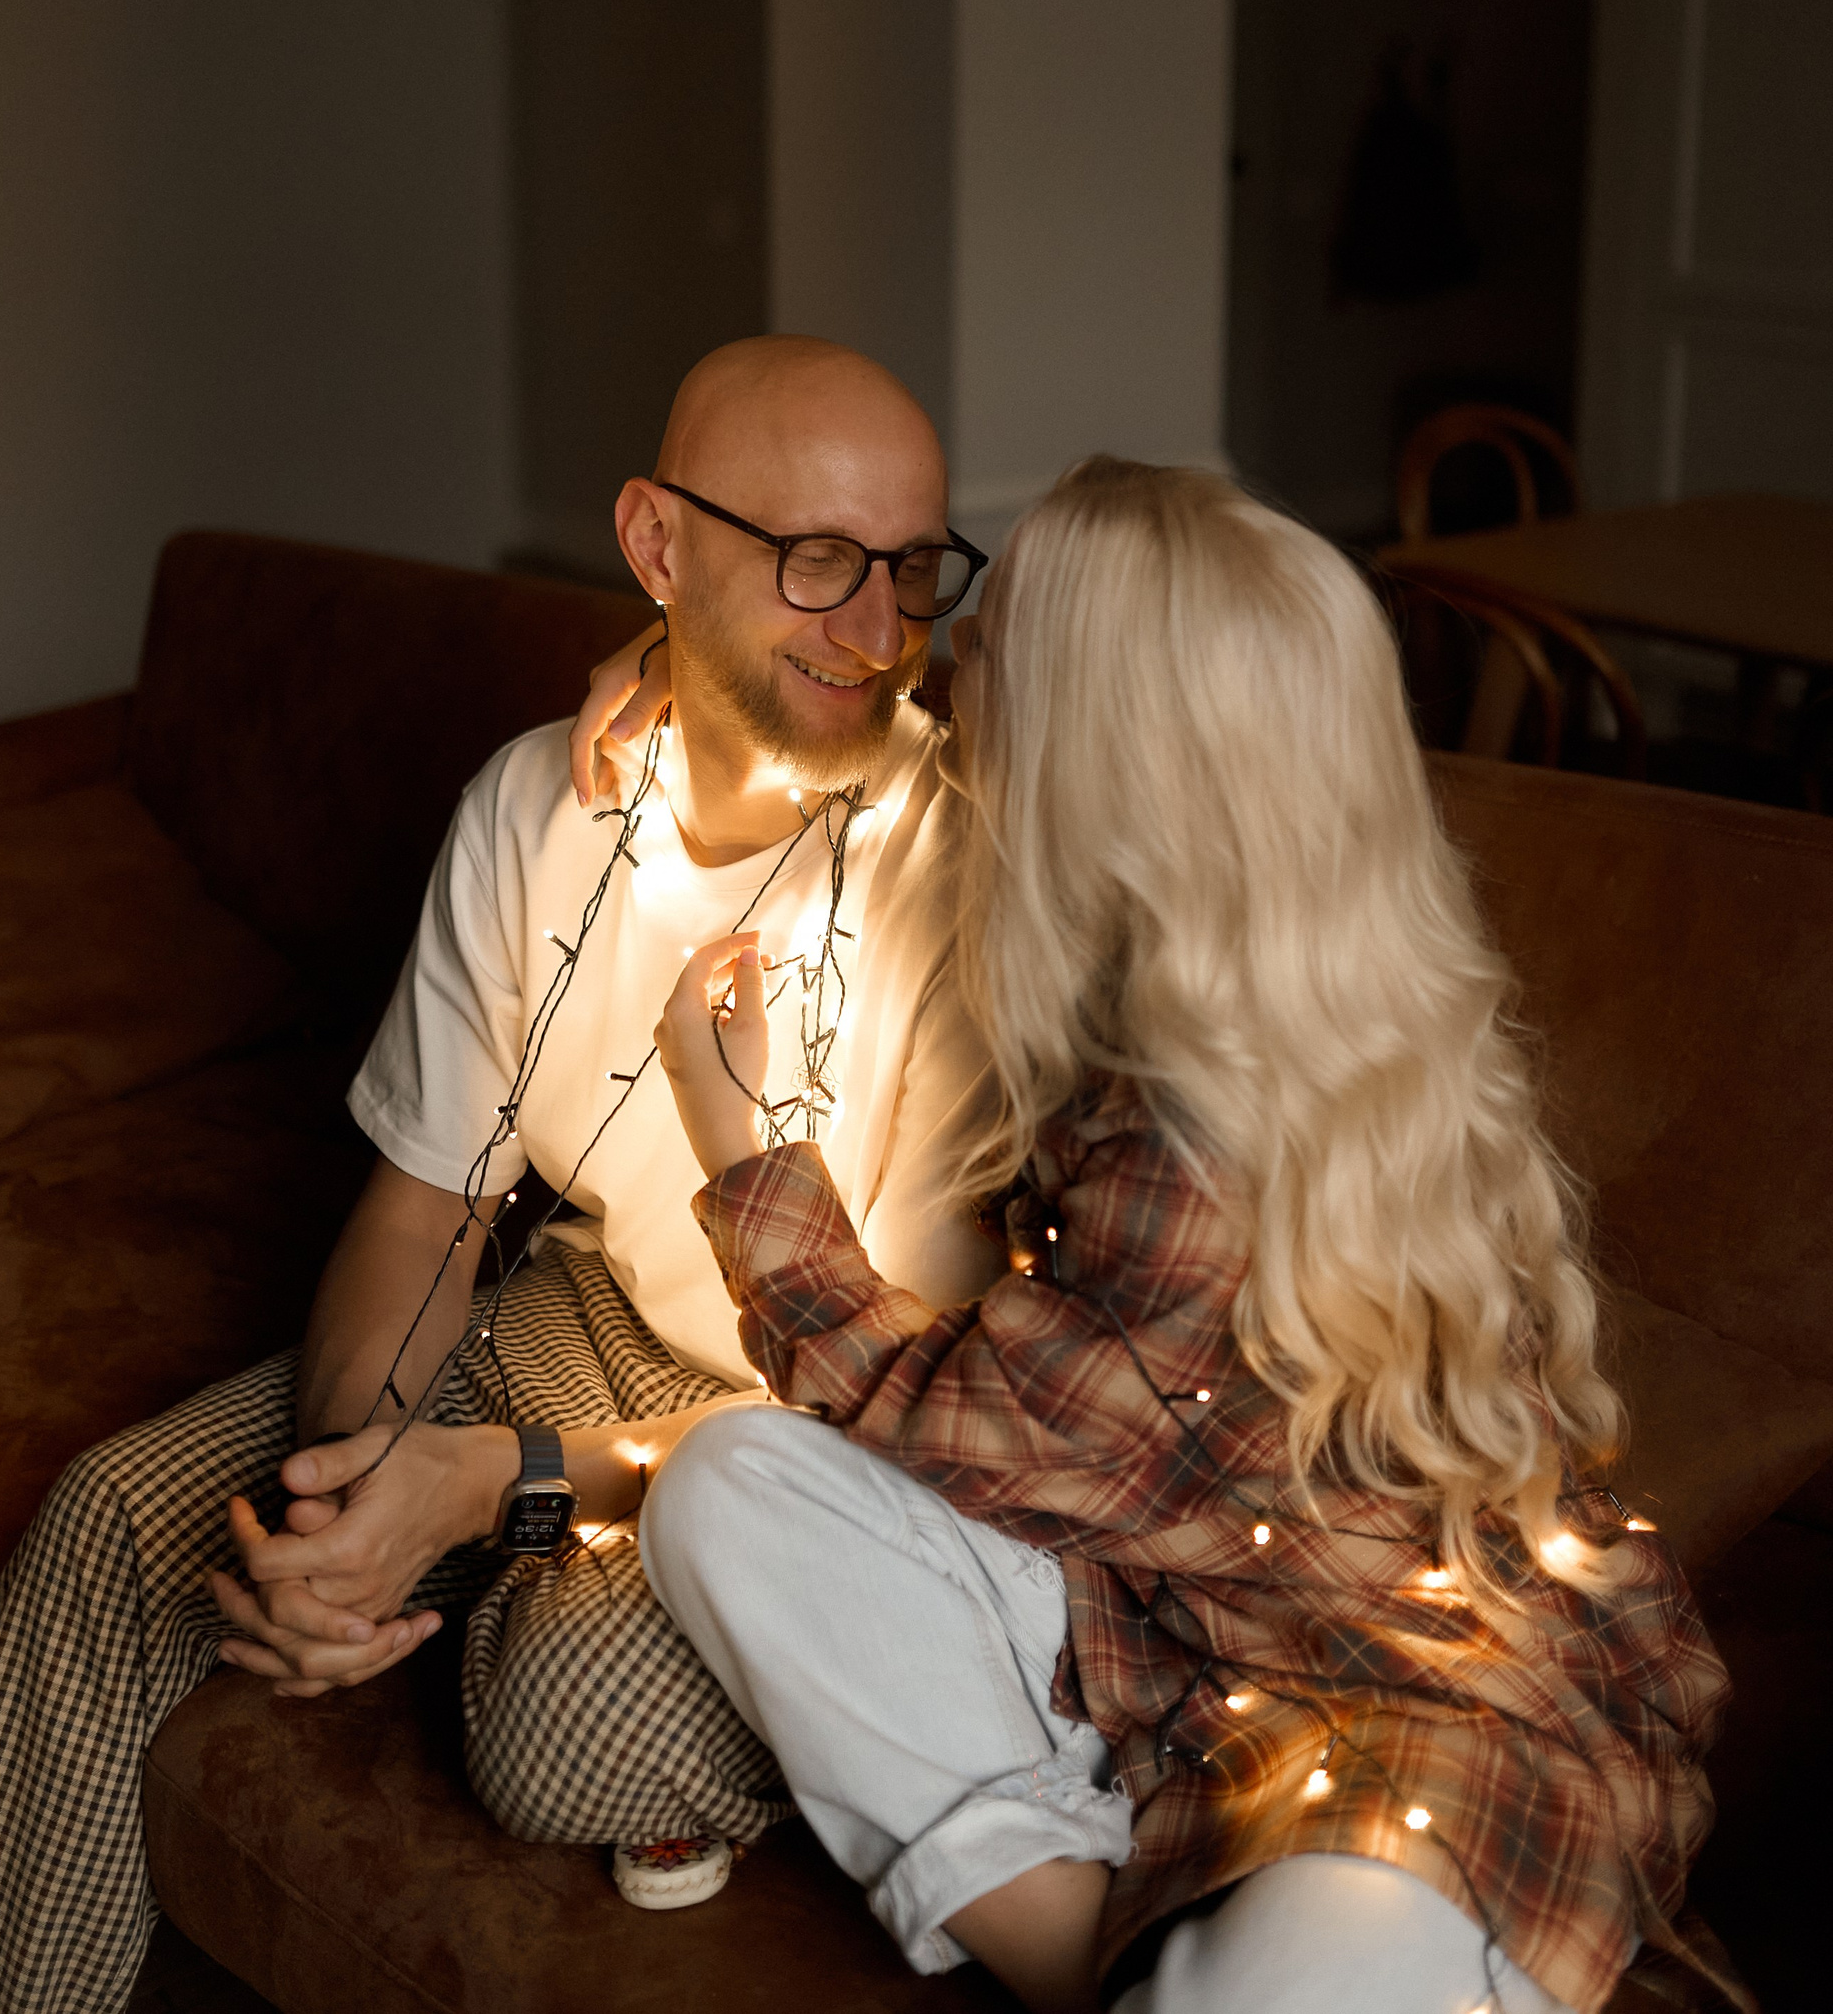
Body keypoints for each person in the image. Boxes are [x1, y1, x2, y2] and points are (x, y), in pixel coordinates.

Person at [0, 335, 1004, 2013]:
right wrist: (350, 1485)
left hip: (827, 1440)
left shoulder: (966, 870)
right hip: (587, 1315)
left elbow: (898, 1416)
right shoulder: (537, 809)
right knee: (121, 1524)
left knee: (559, 1715)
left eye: (911, 565)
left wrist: (495, 1486)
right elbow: (428, 1204)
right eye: (815, 558)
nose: (876, 627)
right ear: (656, 544)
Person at [639, 457, 1741, 2014]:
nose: (940, 659)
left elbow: (947, 1415)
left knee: (1320, 1954)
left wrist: (747, 1152)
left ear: (1085, 755)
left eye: (985, 642)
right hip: (1156, 1618)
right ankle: (1119, 1944)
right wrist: (661, 664)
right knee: (733, 1483)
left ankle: (1205, 1956)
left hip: (1407, 1724)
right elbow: (822, 710)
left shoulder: (1193, 1138)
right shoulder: (1270, 981)